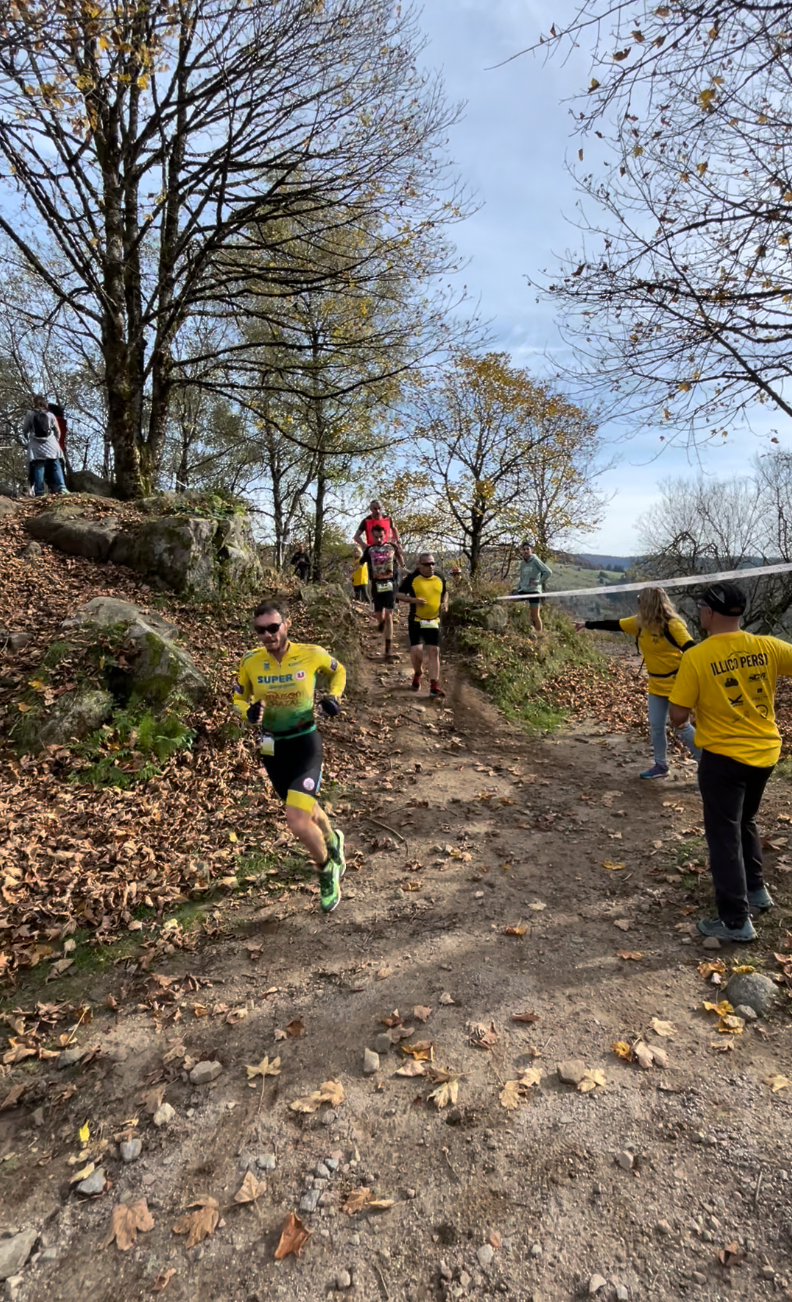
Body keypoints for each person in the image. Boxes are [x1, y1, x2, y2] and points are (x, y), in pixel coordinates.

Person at [668, 581, 792, 942]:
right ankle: (756, 890)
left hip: (723, 759)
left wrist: (694, 722)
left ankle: (735, 922)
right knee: (744, 820)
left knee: (723, 836)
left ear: (709, 612)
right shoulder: (767, 646)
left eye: (701, 608)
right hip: (765, 754)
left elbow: (677, 715)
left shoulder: (697, 656)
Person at [233, 600, 347, 914]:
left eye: (273, 627)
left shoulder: (311, 653)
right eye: (260, 630)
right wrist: (247, 712)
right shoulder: (251, 662)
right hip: (272, 747)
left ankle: (327, 869)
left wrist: (334, 697)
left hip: (305, 742)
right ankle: (332, 839)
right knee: (304, 807)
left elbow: (339, 671)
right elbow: (238, 698)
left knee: (296, 818)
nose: (267, 635)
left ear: (287, 625)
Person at [575, 586, 700, 779]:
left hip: (677, 683)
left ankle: (707, 763)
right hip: (656, 685)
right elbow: (614, 624)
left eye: (640, 599)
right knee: (656, 726)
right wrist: (586, 624)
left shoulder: (672, 625)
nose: (638, 601)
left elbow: (692, 649)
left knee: (680, 726)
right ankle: (660, 765)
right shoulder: (639, 623)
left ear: (649, 603)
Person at [398, 551, 448, 697]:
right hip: (416, 619)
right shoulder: (412, 578)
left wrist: (444, 602)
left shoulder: (439, 577)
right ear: (419, 565)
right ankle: (418, 673)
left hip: (434, 620)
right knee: (416, 651)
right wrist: (413, 600)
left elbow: (445, 592)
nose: (430, 566)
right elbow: (398, 594)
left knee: (434, 651)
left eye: (432, 563)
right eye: (427, 564)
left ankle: (434, 685)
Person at [361, 524, 399, 660]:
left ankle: (388, 651)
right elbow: (360, 562)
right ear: (372, 536)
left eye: (381, 537)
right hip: (376, 584)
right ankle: (381, 623)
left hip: (390, 583)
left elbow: (400, 559)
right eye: (376, 537)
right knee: (379, 615)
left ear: (385, 535)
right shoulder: (370, 550)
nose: (378, 539)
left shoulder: (391, 547)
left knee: (389, 616)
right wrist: (353, 569)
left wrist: (404, 569)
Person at [22, 394, 67, 497]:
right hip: (51, 445)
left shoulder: (30, 414)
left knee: (39, 467)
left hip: (36, 447)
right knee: (56, 465)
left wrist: (28, 440)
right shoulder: (50, 415)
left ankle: (39, 492)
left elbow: (25, 430)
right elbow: (58, 431)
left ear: (34, 403)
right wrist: (55, 441)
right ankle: (62, 487)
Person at [513, 541, 552, 632]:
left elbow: (548, 572)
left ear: (531, 550)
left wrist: (539, 582)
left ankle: (539, 635)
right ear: (522, 551)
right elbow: (522, 578)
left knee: (535, 615)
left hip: (534, 591)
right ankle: (514, 626)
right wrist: (516, 588)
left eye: (528, 549)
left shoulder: (535, 560)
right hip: (524, 590)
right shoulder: (522, 563)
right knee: (509, 601)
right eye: (524, 549)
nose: (526, 551)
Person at [353, 499, 405, 566]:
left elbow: (394, 530)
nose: (378, 511)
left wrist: (398, 543)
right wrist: (364, 546)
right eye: (375, 509)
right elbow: (356, 537)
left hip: (387, 550)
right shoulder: (366, 521)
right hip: (373, 552)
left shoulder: (388, 519)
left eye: (379, 508)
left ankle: (403, 568)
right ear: (371, 509)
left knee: (397, 553)